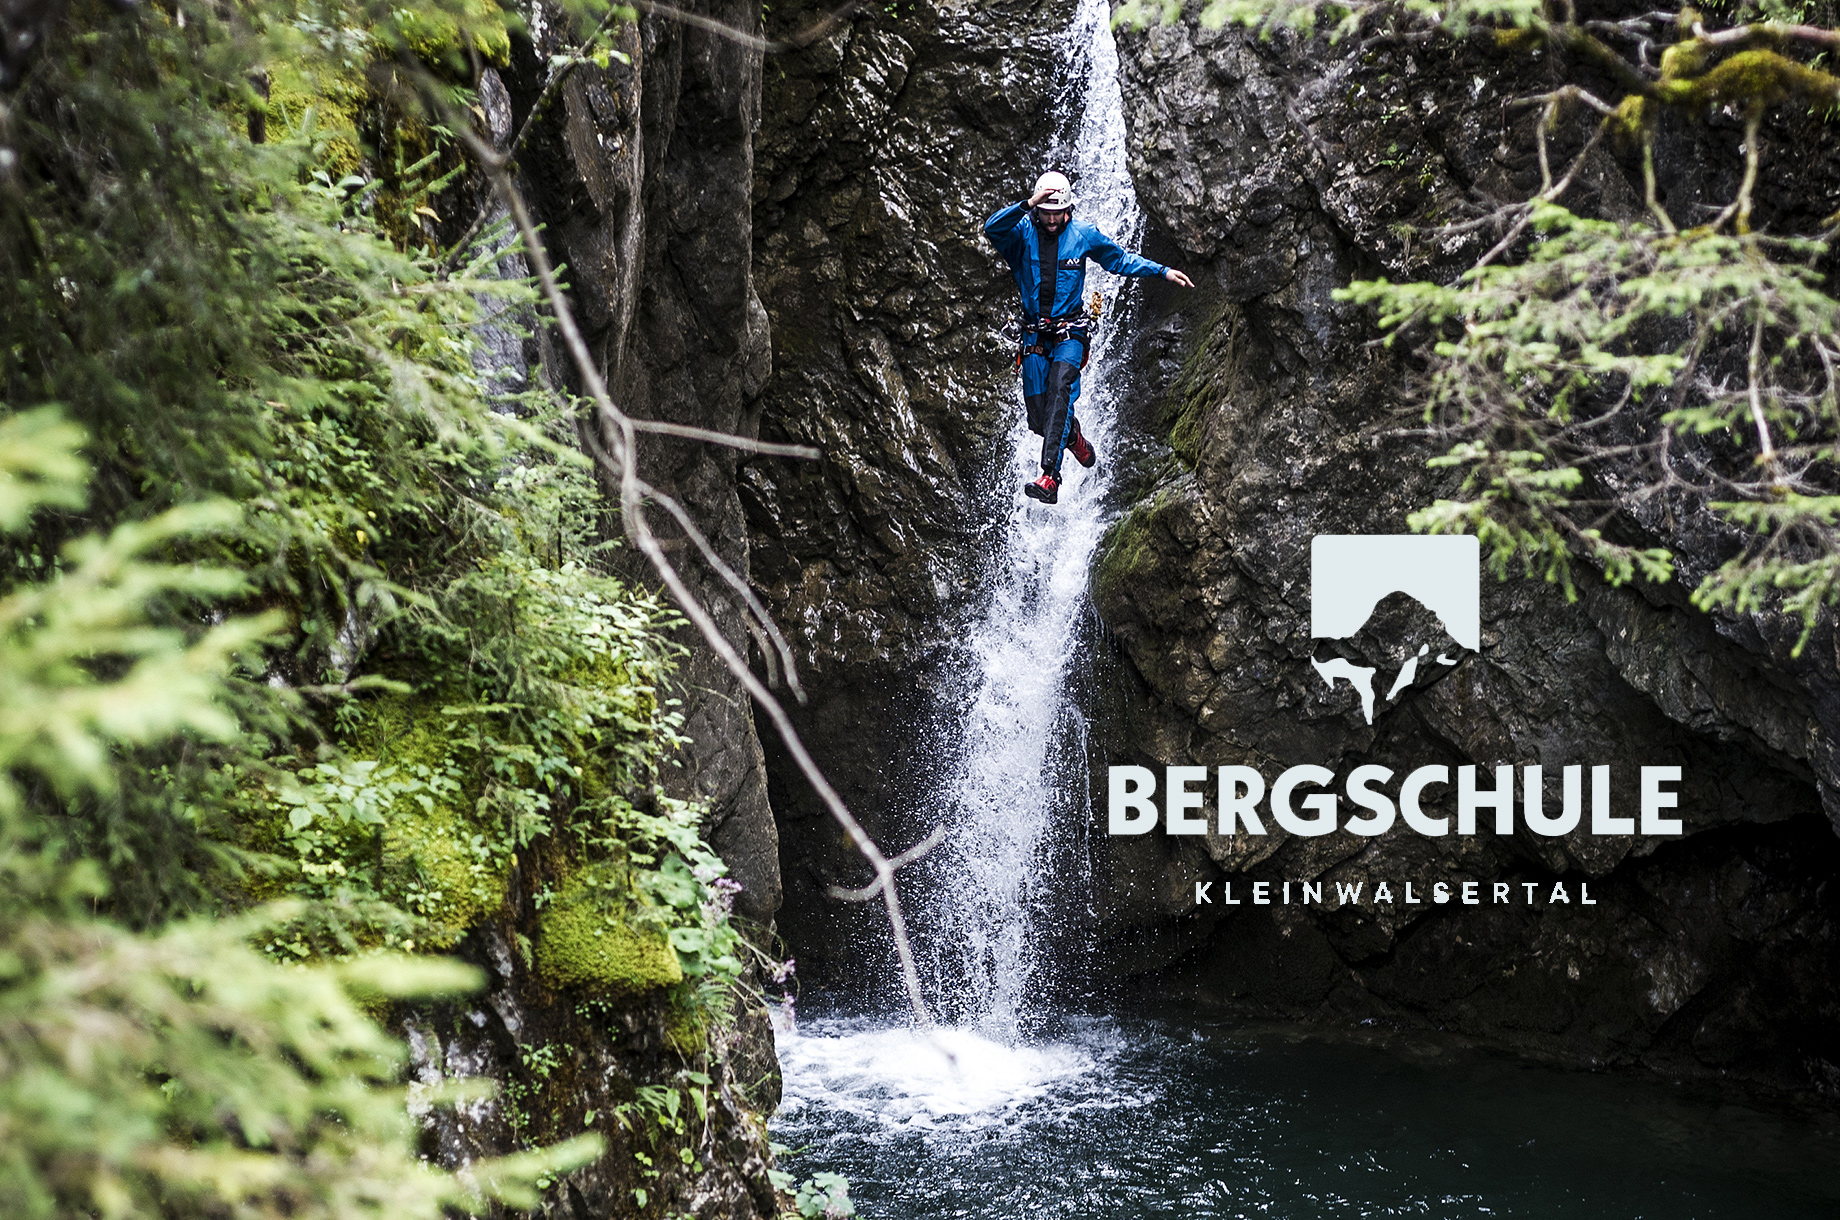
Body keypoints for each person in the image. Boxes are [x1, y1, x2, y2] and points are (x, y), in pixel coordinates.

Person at [984, 171, 1194, 504]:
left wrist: (1162, 271)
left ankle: (1050, 477)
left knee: (1060, 389)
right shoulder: (1021, 234)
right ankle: (1074, 438)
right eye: (1046, 212)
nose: (1052, 219)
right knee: (1039, 420)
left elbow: (1119, 259)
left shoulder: (1083, 234)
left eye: (1058, 212)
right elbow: (992, 228)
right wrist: (1028, 204)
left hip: (1071, 332)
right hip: (1034, 335)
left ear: (1068, 209)